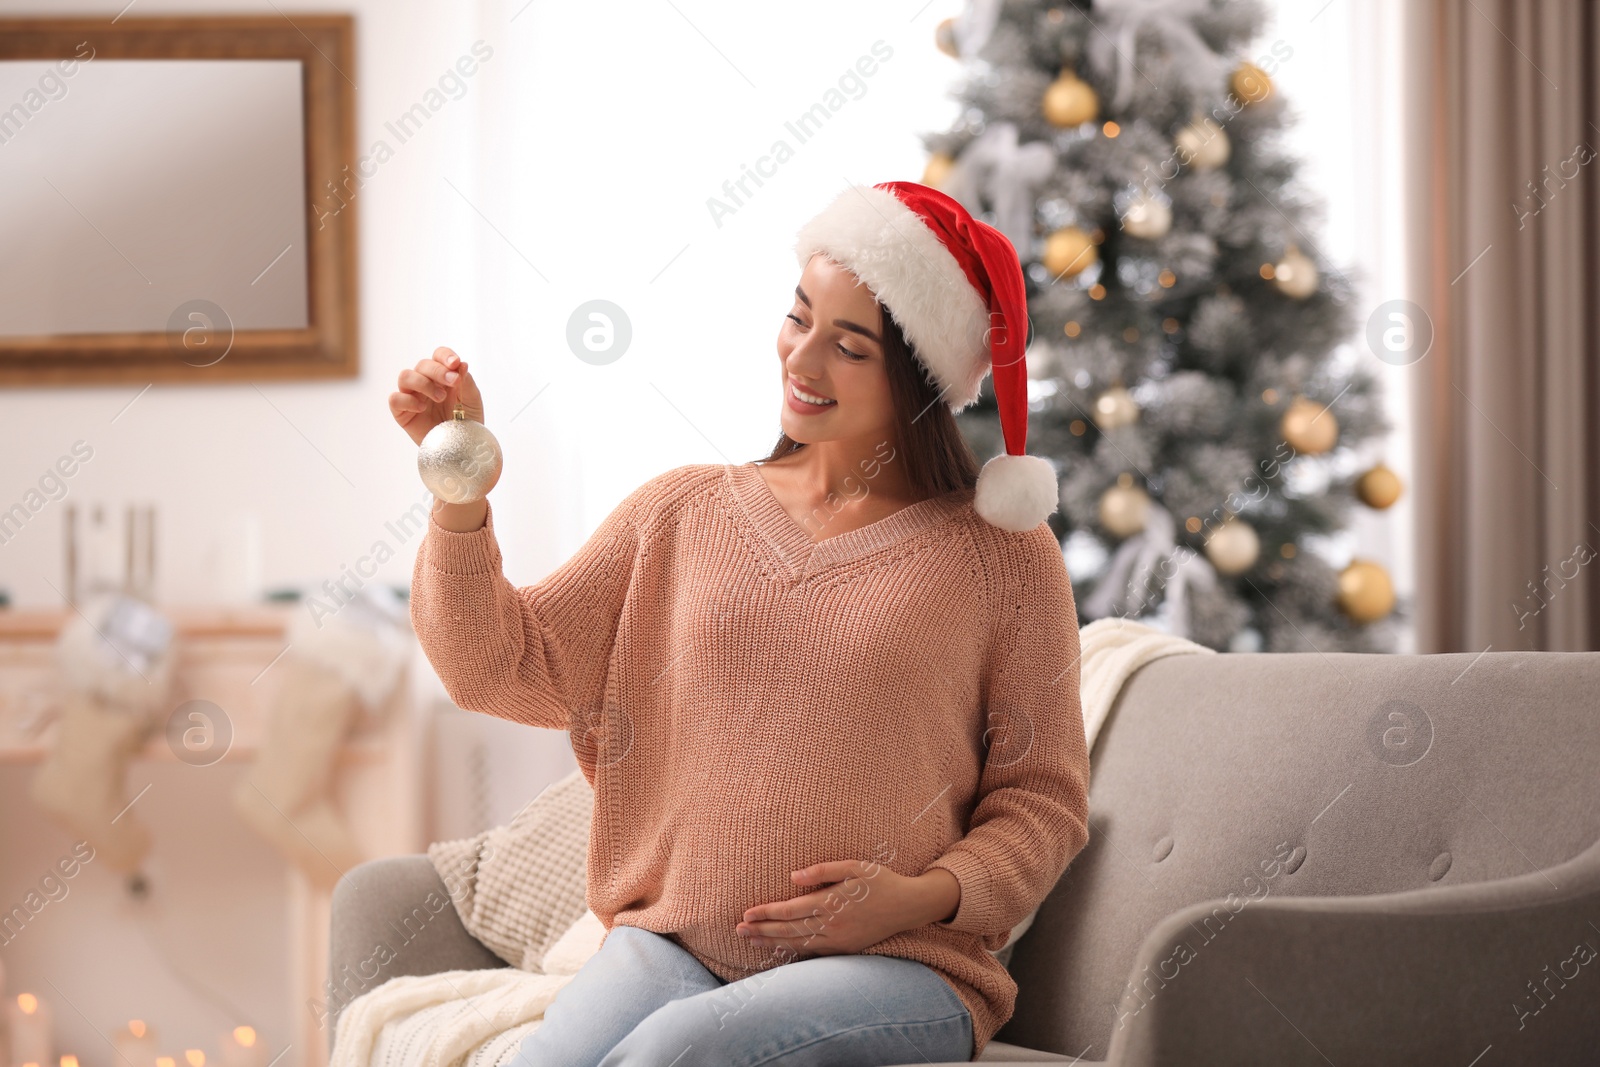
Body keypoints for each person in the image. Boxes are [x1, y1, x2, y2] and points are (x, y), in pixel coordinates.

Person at [389, 181, 1090, 1066]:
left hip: (899, 967)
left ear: (918, 380)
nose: (804, 359)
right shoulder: (682, 512)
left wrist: (917, 897)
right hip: (673, 946)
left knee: (675, 1051)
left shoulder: (1001, 559)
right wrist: (460, 488)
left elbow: (1043, 801)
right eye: (799, 318)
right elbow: (497, 667)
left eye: (850, 346)